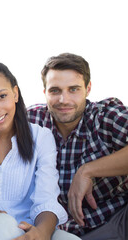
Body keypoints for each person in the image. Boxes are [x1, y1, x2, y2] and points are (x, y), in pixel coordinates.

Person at [0, 58, 80, 240]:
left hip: (30, 226)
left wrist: (41, 233)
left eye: (1, 96)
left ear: (15, 94)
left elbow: (46, 198)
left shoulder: (41, 137)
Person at [27, 53, 128, 239]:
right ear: (44, 92)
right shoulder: (32, 121)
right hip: (56, 229)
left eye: (73, 89)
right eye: (55, 90)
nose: (64, 100)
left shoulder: (105, 116)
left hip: (113, 220)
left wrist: (88, 170)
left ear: (88, 89)